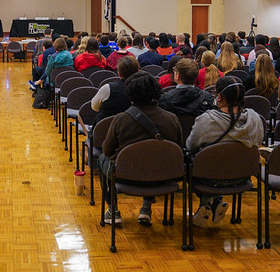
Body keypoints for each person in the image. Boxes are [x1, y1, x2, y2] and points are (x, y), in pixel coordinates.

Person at [99, 72, 182, 226]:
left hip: (126, 175)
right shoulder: (171, 118)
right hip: (163, 175)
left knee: (101, 159)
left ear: (130, 95)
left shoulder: (121, 119)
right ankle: (146, 209)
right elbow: (178, 150)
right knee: (153, 158)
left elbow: (107, 151)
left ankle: (113, 210)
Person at [185, 76, 264, 227]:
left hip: (208, 177)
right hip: (242, 176)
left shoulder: (206, 120)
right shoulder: (255, 119)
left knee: (194, 163)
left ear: (219, 97)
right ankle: (214, 203)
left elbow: (191, 146)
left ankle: (208, 203)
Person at [91, 56, 139, 123]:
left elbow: (94, 107)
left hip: (105, 130)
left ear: (119, 73)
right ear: (138, 71)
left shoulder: (108, 88)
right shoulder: (144, 88)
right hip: (134, 130)